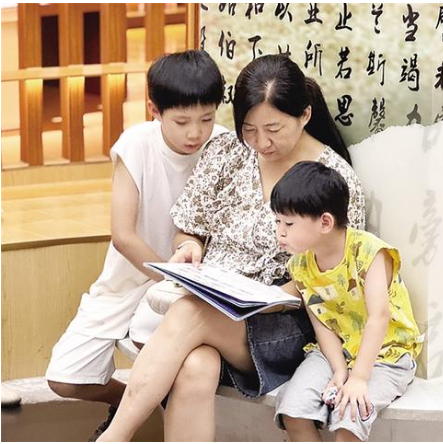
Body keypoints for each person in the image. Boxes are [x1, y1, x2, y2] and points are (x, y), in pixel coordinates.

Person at [96, 54, 366, 442]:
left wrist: (267, 299)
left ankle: (113, 438)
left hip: (285, 323)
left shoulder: (334, 179)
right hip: (215, 305)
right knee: (196, 367)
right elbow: (189, 228)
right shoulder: (228, 151)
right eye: (250, 129)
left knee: (190, 313)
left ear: (305, 115)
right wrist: (189, 248)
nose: (261, 142)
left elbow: (332, 276)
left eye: (273, 129)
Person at [45, 49, 227, 441]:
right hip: (132, 277)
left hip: (188, 287)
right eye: (182, 122)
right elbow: (123, 235)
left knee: (163, 345)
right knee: (65, 378)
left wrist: (182, 281)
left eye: (207, 119)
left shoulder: (224, 146)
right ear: (154, 110)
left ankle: (142, 413)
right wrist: (168, 273)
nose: (195, 133)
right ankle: (134, 402)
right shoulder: (136, 144)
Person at [271, 161, 423, 442]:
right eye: (277, 221)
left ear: (325, 222)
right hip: (335, 351)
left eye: (288, 223)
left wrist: (359, 378)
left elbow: (379, 317)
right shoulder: (300, 265)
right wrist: (340, 370)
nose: (280, 232)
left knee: (350, 417)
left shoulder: (369, 252)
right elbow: (322, 323)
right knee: (293, 410)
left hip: (386, 354)